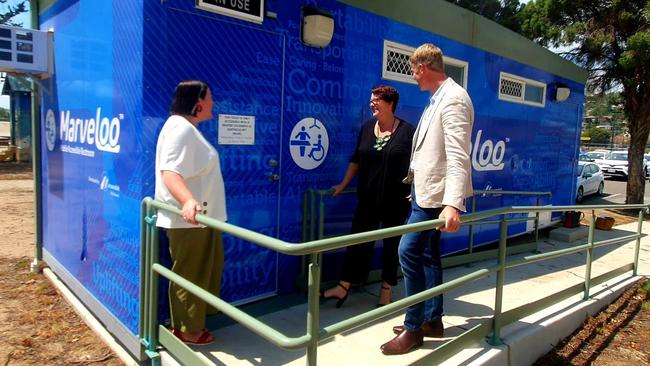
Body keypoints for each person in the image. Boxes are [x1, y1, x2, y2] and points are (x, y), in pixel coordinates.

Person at [380, 44, 474, 355]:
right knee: (429, 257)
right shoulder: (438, 98)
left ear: (422, 67)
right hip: (425, 193)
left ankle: (413, 328)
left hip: (436, 199)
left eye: (413, 70)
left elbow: (459, 156)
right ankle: (432, 321)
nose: (413, 77)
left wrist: (453, 203)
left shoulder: (454, 100)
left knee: (407, 252)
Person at [323, 86, 415, 308]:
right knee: (358, 241)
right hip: (368, 198)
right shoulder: (366, 128)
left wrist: (416, 190)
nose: (372, 104)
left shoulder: (407, 132)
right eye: (371, 100)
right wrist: (343, 185)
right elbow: (356, 160)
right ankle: (344, 286)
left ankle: (386, 289)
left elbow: (417, 164)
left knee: (392, 245)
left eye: (376, 100)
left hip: (396, 200)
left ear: (390, 103)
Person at [155, 80, 227, 346]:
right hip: (191, 221)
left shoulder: (185, 128)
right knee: (191, 274)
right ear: (198, 105)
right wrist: (187, 201)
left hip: (200, 221)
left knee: (200, 272)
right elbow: (170, 172)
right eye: (210, 99)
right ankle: (188, 330)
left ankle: (190, 324)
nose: (213, 104)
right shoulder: (180, 130)